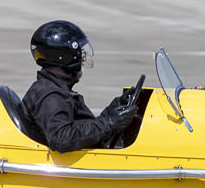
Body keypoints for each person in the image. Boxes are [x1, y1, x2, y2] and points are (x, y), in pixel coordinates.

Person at [22, 20, 138, 153]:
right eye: (79, 55)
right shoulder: (50, 96)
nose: (82, 60)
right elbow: (61, 139)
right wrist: (109, 123)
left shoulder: (54, 89)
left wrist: (112, 111)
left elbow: (82, 127)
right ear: (64, 57)